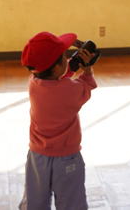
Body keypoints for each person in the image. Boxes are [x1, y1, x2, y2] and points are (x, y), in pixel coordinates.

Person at [19, 31, 96, 210]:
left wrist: (71, 65)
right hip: (67, 158)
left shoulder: (33, 82)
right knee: (71, 203)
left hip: (37, 156)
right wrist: (87, 69)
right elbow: (87, 85)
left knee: (35, 203)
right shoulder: (71, 89)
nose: (67, 59)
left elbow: (55, 74)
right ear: (55, 68)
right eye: (64, 57)